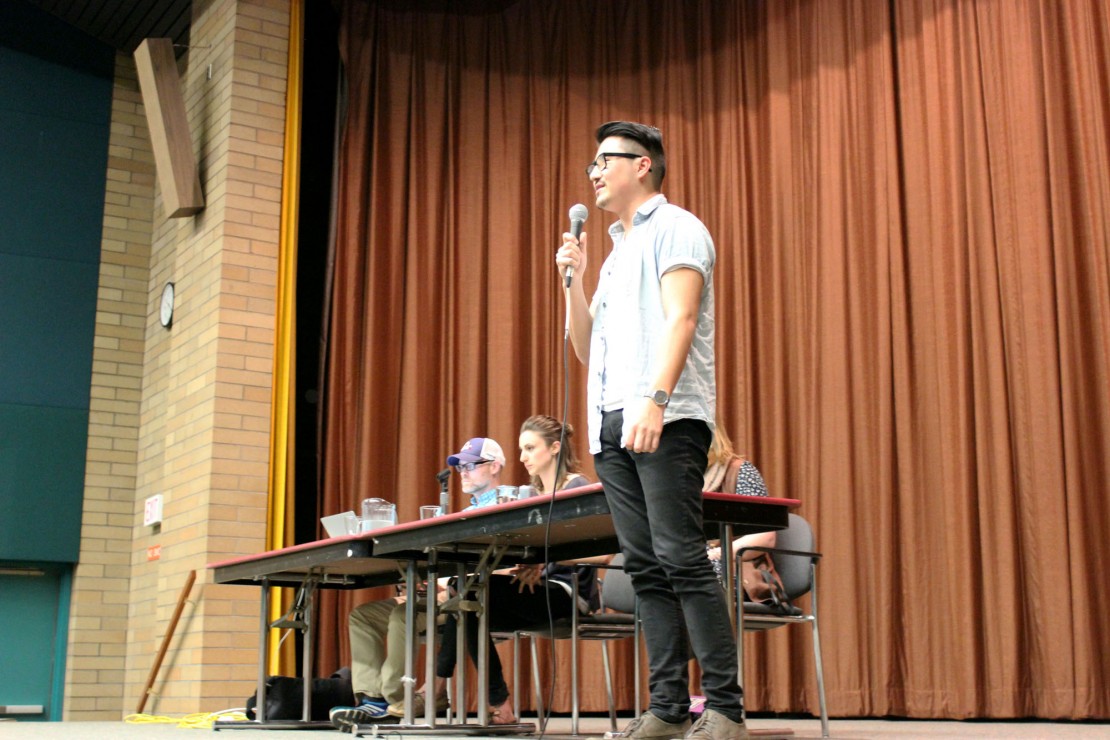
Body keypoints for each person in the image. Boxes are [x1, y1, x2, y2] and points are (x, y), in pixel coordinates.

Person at [555, 121, 748, 740]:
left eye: (604, 160)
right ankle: (666, 708)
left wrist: (655, 400)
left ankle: (725, 709)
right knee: (643, 566)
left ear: (642, 165)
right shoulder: (614, 255)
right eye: (592, 163)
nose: (593, 172)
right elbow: (586, 348)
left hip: (665, 414)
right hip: (609, 423)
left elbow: (681, 317)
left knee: (682, 558)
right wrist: (574, 282)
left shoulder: (677, 227)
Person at [421, 417, 603, 725]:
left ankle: (438, 686)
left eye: (530, 448)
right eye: (521, 450)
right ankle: (498, 704)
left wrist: (544, 559)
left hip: (566, 592)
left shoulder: (577, 487)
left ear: (554, 448)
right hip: (531, 588)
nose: (522, 457)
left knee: (467, 596)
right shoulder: (531, 492)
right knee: (466, 601)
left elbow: (605, 552)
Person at [329, 436, 507, 730]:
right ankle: (372, 697)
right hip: (441, 593)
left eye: (470, 466)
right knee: (363, 616)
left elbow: (509, 564)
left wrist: (444, 587)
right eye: (460, 467)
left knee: (403, 615)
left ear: (495, 466)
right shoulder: (464, 515)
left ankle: (396, 699)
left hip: (471, 595)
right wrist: (426, 582)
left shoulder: (508, 507)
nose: (463, 472)